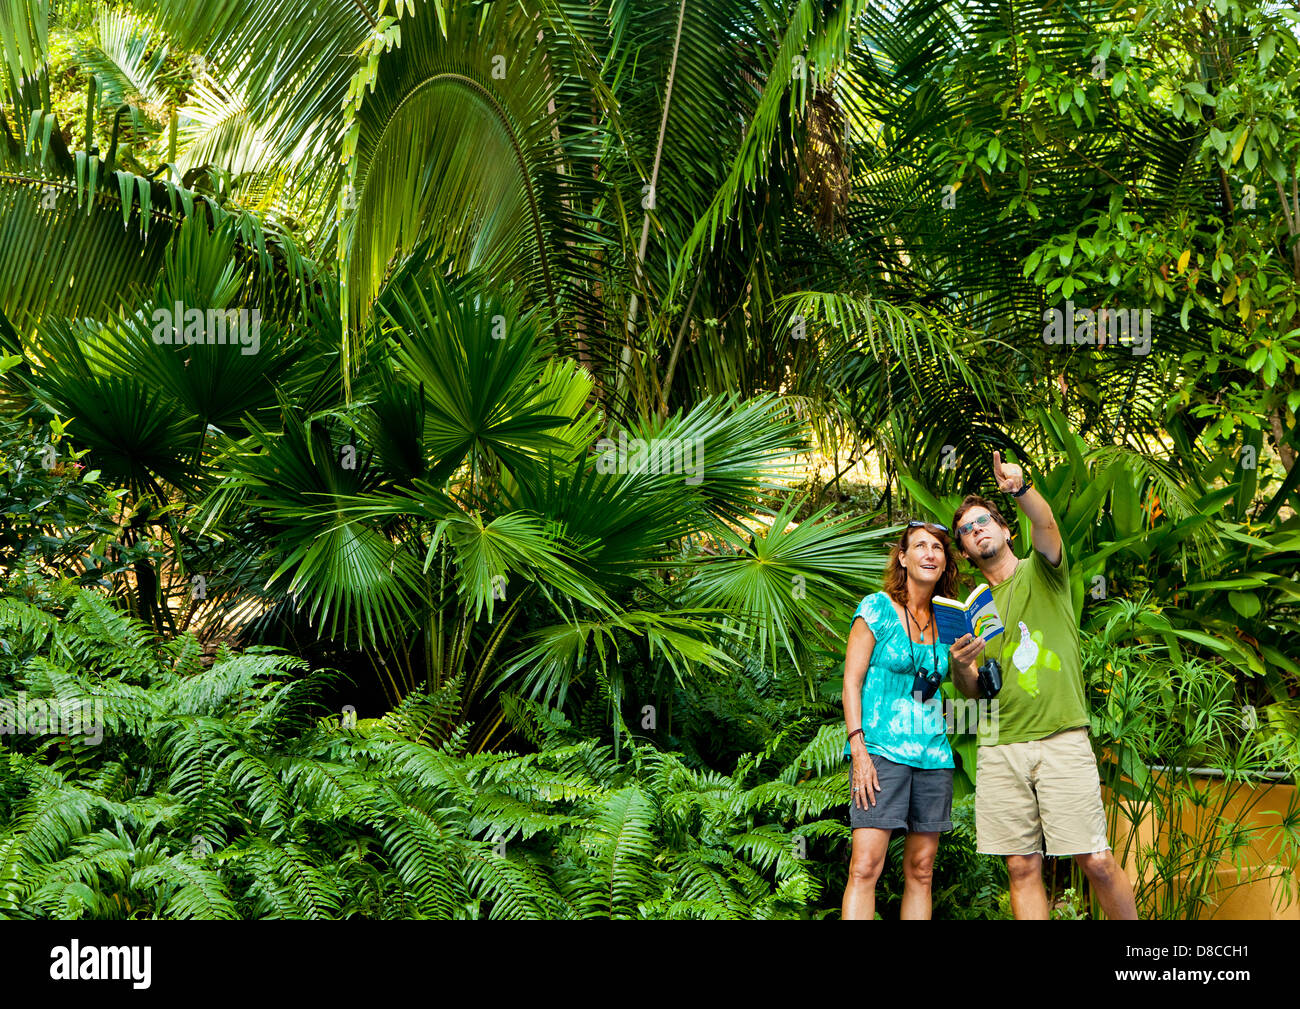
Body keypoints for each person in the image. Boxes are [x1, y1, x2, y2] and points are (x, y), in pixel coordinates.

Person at [946, 451, 1138, 920]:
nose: (977, 531)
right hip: (1000, 744)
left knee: (1094, 858)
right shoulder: (970, 610)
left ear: (1006, 529)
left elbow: (1048, 526)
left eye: (984, 521)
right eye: (967, 531)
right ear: (966, 552)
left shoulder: (1043, 572)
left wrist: (1019, 489)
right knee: (1021, 867)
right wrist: (961, 667)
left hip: (1061, 737)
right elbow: (975, 696)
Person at [841, 521, 968, 920]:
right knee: (865, 867)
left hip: (934, 756)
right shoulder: (877, 608)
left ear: (945, 561)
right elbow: (851, 681)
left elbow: (970, 691)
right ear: (903, 557)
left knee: (921, 871)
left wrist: (967, 663)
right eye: (920, 546)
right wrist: (858, 749)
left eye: (937, 548)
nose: (930, 553)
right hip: (880, 750)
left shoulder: (950, 621)